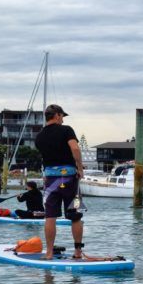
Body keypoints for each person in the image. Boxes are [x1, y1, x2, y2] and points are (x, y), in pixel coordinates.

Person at [34, 104, 85, 260]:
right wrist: (80, 167)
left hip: (50, 180)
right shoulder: (66, 130)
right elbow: (75, 149)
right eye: (62, 116)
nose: (63, 119)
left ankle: (49, 252)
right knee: (75, 215)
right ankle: (77, 252)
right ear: (56, 115)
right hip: (69, 178)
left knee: (50, 216)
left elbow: (45, 157)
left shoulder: (39, 136)